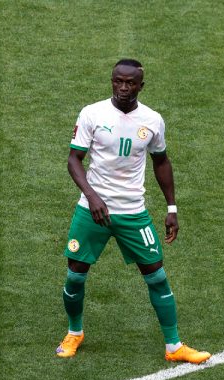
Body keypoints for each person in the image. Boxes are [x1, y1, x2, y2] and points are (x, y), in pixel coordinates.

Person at [56, 58, 211, 364]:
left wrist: (171, 208)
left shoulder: (152, 120)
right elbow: (74, 160)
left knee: (157, 277)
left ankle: (174, 347)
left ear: (141, 85)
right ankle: (75, 332)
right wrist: (92, 195)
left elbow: (161, 162)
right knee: (75, 276)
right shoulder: (92, 113)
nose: (123, 87)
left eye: (130, 83)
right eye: (117, 81)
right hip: (92, 211)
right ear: (111, 81)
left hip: (133, 212)